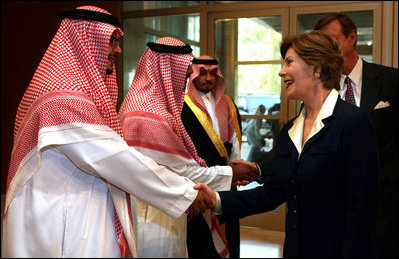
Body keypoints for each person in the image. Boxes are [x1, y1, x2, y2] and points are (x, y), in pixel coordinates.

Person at [1, 6, 211, 258]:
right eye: (111, 41)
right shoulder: (63, 100)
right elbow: (114, 157)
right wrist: (184, 193)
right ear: (85, 41)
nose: (118, 50)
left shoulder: (74, 94)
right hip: (62, 223)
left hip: (78, 212)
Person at [195, 30, 380, 257]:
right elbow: (272, 193)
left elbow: (362, 209)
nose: (281, 71)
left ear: (317, 67)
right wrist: (215, 199)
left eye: (289, 62)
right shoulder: (290, 130)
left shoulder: (353, 122)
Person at [118, 38, 258, 258]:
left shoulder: (141, 104)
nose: (186, 79)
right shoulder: (151, 115)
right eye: (183, 73)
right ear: (167, 71)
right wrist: (232, 173)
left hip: (164, 208)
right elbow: (183, 170)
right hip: (152, 219)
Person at [314, 12, 398, 258]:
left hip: (386, 211)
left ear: (352, 37)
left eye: (332, 40)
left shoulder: (391, 81)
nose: (327, 49)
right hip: (336, 211)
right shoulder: (320, 89)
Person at [182, 55, 242, 258]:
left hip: (225, 175)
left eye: (212, 74)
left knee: (228, 230)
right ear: (194, 74)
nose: (208, 78)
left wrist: (236, 171)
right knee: (201, 238)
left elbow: (234, 140)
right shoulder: (183, 103)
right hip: (197, 177)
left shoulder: (227, 102)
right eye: (203, 73)